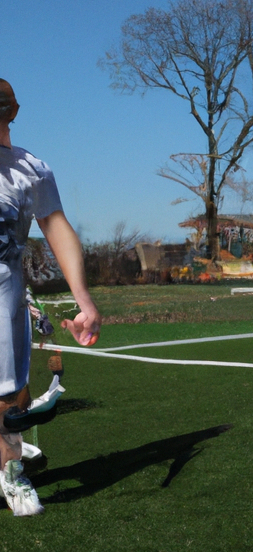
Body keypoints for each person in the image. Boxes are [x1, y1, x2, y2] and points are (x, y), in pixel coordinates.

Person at [0, 78, 101, 516]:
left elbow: (57, 229)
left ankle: (11, 474)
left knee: (9, 397)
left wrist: (85, 301)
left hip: (4, 301)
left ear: (11, 114)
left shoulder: (29, 169)